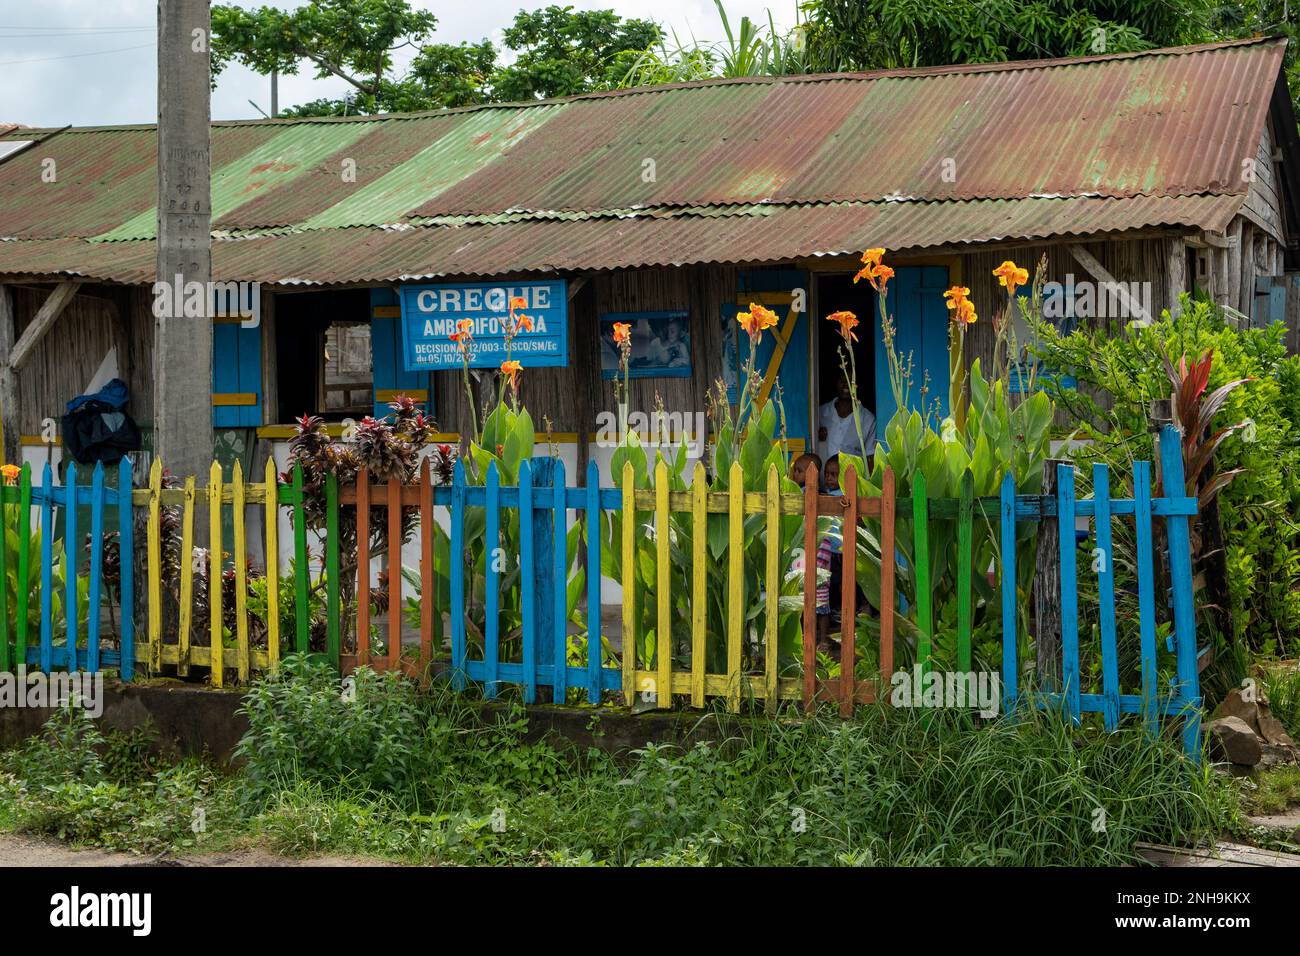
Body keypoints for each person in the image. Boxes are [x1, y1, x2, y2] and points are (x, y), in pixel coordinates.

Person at [818, 372, 875, 464]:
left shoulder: (868, 419)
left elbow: (870, 456)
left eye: (851, 381)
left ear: (858, 385)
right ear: (836, 383)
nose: (846, 384)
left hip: (853, 476)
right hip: (822, 476)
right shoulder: (820, 413)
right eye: (842, 380)